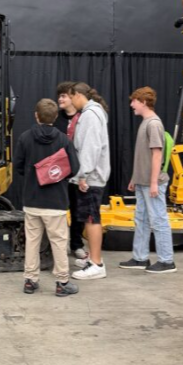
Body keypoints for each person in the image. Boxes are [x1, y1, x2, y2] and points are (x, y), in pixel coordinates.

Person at [14, 98, 79, 297]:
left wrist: (35, 177)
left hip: (32, 200)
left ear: (36, 115)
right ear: (55, 116)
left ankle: (30, 281)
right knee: (59, 242)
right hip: (56, 201)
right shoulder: (63, 140)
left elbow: (18, 165)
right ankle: (61, 283)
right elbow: (74, 168)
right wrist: (56, 177)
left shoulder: (25, 138)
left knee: (32, 241)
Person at [119, 87, 176, 274]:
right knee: (141, 219)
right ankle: (140, 257)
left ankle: (167, 261)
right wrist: (136, 178)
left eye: (134, 101)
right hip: (142, 181)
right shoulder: (146, 123)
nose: (131, 105)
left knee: (158, 220)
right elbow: (143, 156)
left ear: (143, 102)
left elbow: (157, 155)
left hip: (152, 183)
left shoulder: (153, 124)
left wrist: (153, 182)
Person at [67, 82, 111, 282]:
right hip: (90, 175)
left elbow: (91, 147)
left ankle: (96, 263)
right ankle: (93, 260)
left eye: (70, 97)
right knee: (89, 217)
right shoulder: (92, 113)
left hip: (91, 177)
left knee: (92, 219)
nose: (69, 102)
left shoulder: (90, 115)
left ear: (77, 95)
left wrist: (83, 174)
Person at [55, 82, 87, 261]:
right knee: (58, 210)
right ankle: (60, 244)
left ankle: (77, 244)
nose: (61, 99)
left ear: (74, 98)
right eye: (59, 96)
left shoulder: (84, 117)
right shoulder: (56, 118)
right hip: (59, 172)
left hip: (77, 172)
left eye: (64, 96)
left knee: (78, 210)